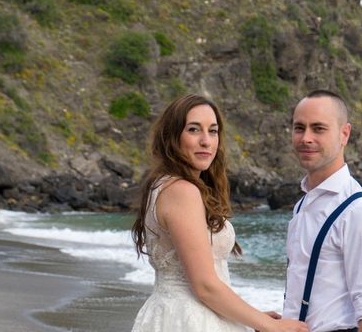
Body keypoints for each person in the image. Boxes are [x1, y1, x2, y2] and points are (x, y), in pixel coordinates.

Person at [131, 94, 309, 332]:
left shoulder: (165, 186)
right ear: (172, 137)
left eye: (213, 131)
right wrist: (270, 326)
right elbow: (205, 285)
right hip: (190, 319)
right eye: (194, 130)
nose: (206, 141)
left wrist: (250, 316)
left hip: (174, 314)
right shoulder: (182, 191)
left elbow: (209, 280)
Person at [282, 90, 362, 332]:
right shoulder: (302, 205)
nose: (306, 138)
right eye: (299, 128)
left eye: (318, 129)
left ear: (344, 134)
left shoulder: (359, 212)